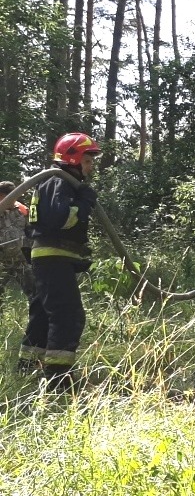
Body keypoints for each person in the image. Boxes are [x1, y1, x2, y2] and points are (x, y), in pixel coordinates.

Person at [18, 133, 100, 391]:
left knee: (43, 314)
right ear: (73, 158)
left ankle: (28, 368)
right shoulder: (59, 181)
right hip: (52, 257)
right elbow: (60, 219)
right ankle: (58, 380)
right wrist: (85, 202)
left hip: (50, 257)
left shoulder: (56, 181)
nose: (91, 166)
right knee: (68, 316)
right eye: (88, 160)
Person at [0, 181, 35, 303]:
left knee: (34, 291)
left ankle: (38, 318)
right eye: (8, 195)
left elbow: (31, 232)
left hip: (21, 260)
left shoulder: (22, 210)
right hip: (2, 262)